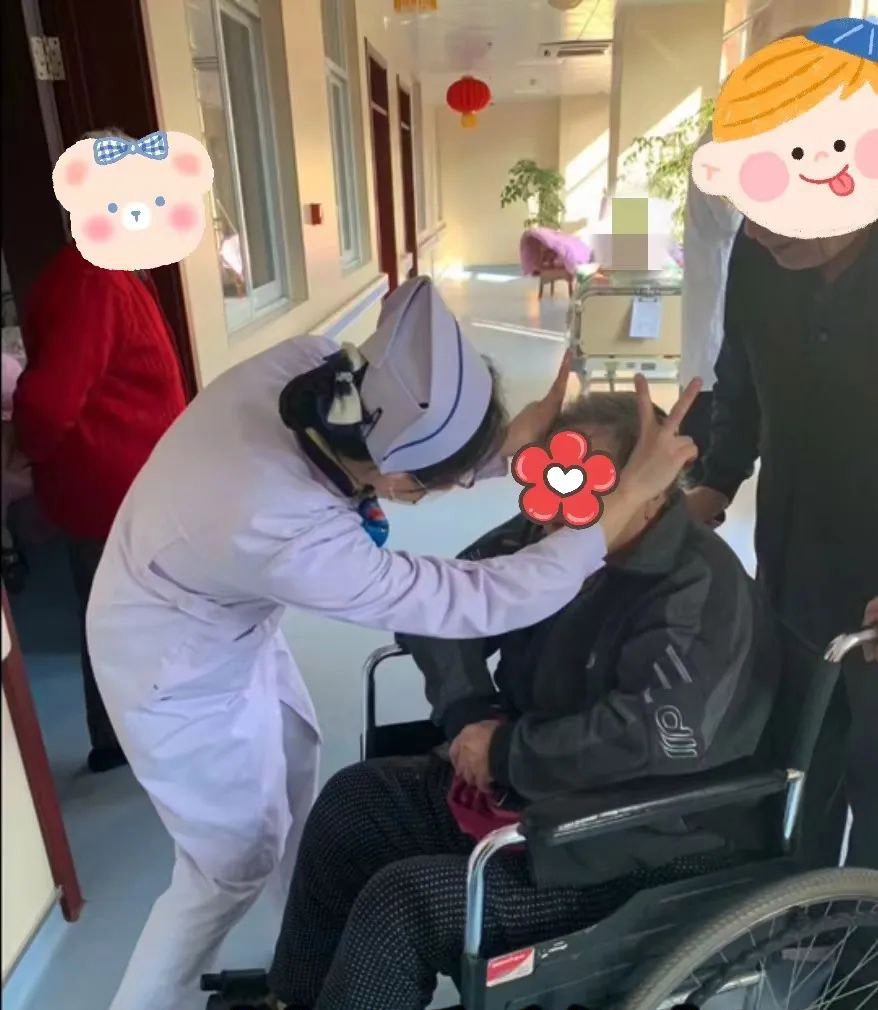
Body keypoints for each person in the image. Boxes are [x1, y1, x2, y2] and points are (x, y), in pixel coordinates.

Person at [86, 275, 699, 1010]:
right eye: (422, 490)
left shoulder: (314, 370)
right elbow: (469, 599)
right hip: (170, 654)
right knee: (229, 865)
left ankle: (300, 971)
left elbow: (656, 733)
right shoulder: (285, 534)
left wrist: (508, 449)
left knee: (302, 785)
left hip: (221, 604)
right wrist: (617, 507)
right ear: (397, 475)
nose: (559, 509)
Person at [267, 392, 779, 1010]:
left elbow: (653, 734)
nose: (561, 511)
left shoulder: (698, 587)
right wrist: (469, 714)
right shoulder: (549, 535)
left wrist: (507, 752)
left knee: (407, 904)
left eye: (590, 486)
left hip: (638, 838)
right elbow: (440, 611)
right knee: (353, 803)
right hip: (533, 793)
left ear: (649, 490)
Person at [685, 26, 878, 875]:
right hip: (797, 552)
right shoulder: (763, 256)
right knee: (798, 746)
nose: (763, 229)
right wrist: (715, 480)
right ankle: (793, 912)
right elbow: (742, 374)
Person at [13, 128, 187, 773]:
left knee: (130, 614)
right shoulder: (92, 279)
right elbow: (48, 403)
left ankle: (132, 736)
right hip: (110, 492)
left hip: (130, 485)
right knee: (122, 619)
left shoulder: (112, 270)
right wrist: (35, 459)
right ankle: (123, 743)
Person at [678, 124, 742, 485]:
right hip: (714, 307)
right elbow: (732, 219)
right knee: (702, 459)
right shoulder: (715, 150)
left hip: (719, 300)